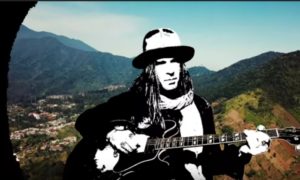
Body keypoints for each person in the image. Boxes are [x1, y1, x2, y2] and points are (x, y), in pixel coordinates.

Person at [63, 28, 271, 180]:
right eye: (161, 63)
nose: (170, 70)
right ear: (149, 69)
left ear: (182, 65)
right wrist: (112, 134)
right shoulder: (131, 102)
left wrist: (245, 151)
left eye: (174, 61)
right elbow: (86, 120)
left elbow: (211, 160)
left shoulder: (200, 107)